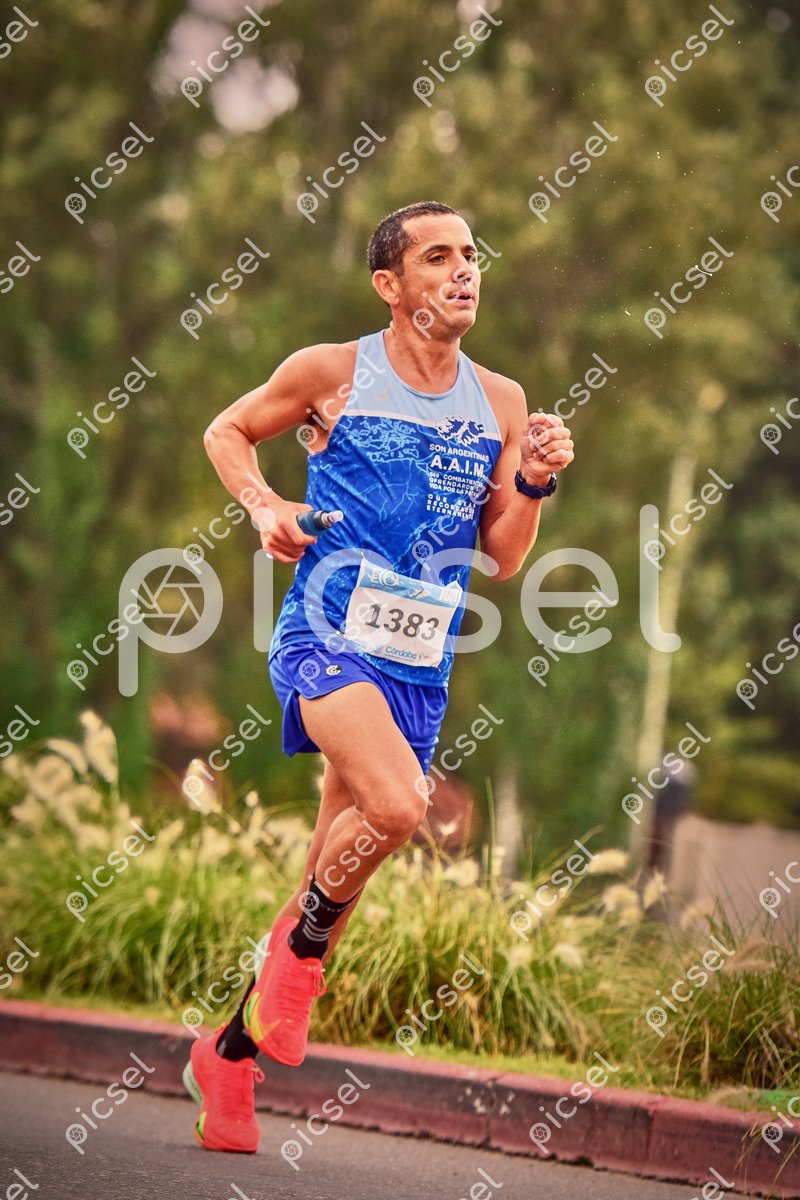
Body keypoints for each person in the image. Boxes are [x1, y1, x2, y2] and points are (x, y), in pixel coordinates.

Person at [188, 201, 575, 1152]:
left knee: (334, 872)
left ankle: (229, 1054)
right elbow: (227, 431)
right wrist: (266, 506)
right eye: (437, 257)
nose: (463, 270)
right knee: (402, 809)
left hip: (418, 664)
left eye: (471, 254)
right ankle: (301, 962)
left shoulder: (502, 401)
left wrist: (533, 480)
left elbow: (503, 556)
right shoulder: (333, 372)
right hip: (326, 631)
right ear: (390, 285)